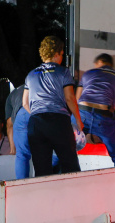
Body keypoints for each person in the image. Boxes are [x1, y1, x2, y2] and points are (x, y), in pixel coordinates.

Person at [23, 36, 83, 176]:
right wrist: (78, 120)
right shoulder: (63, 72)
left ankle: (43, 197)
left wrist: (38, 115)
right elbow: (69, 97)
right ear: (56, 53)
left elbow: (25, 103)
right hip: (58, 121)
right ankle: (74, 196)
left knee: (41, 169)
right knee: (70, 165)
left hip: (36, 123)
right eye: (62, 54)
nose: (62, 58)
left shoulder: (31, 75)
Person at [76, 53, 115, 167]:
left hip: (82, 112)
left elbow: (76, 99)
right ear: (111, 65)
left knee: (63, 150)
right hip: (103, 116)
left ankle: (44, 178)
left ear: (98, 63)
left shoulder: (88, 74)